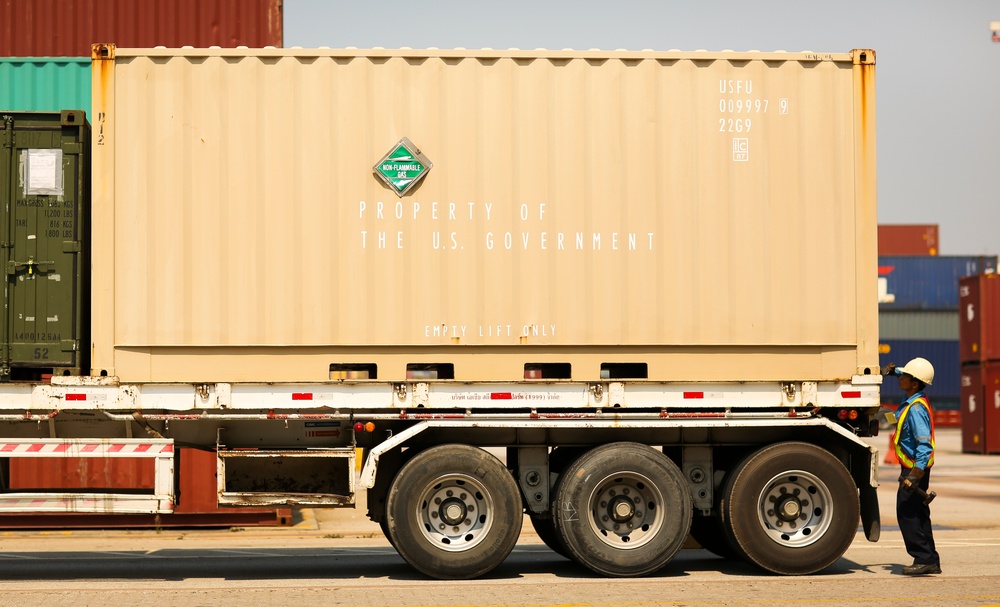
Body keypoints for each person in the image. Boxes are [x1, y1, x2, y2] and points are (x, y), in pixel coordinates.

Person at [883, 357, 941, 576]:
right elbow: (898, 419)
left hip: (915, 468)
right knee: (919, 513)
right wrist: (892, 371)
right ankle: (930, 559)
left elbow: (924, 444)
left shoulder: (916, 409)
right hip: (914, 467)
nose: (901, 378)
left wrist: (916, 473)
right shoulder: (914, 400)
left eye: (904, 376)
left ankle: (923, 558)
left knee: (907, 513)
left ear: (914, 383)